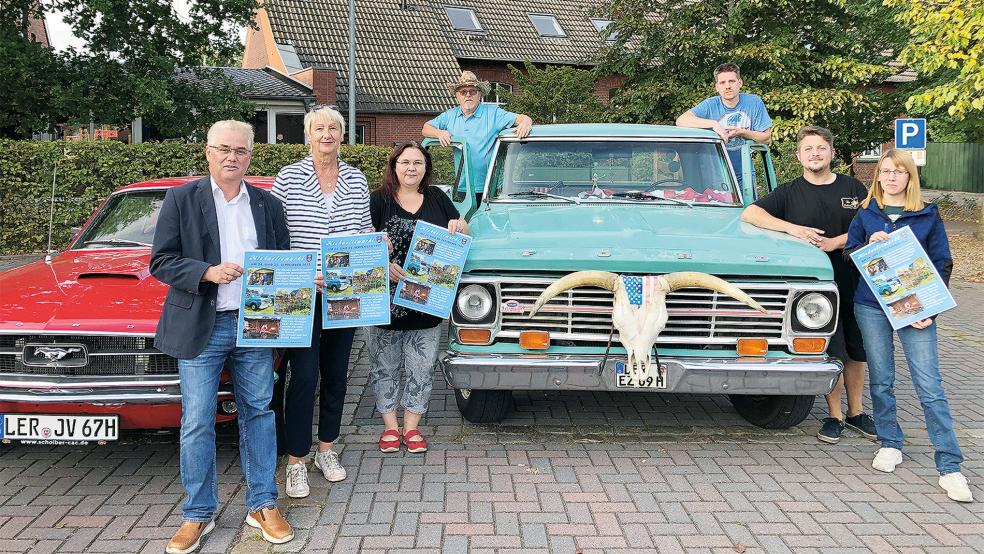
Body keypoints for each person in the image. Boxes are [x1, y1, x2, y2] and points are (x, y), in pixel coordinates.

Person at [151, 120, 293, 553]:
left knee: (259, 413)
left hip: (256, 325)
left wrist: (305, 280)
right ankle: (198, 512)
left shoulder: (269, 204)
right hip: (202, 325)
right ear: (208, 152)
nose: (232, 157)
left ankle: (262, 504)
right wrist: (207, 272)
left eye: (241, 150)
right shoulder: (181, 198)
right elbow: (161, 261)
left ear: (250, 155)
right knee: (197, 420)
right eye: (224, 149)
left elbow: (283, 262)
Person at [844, 149, 972, 503]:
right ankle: (890, 442)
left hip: (916, 309)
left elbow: (942, 261)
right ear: (878, 176)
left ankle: (950, 465)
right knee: (881, 378)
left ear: (909, 177)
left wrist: (931, 308)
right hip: (872, 306)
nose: (891, 177)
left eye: (898, 172)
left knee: (929, 385)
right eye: (885, 171)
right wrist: (866, 245)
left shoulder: (927, 214)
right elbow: (849, 254)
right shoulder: (867, 213)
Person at [741, 126, 875, 444]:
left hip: (855, 281)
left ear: (832, 153)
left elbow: (870, 223)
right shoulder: (788, 192)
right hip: (814, 293)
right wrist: (793, 229)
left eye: (821, 148)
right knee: (831, 350)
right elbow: (750, 214)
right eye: (809, 149)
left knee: (857, 351)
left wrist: (836, 242)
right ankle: (834, 416)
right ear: (799, 155)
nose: (815, 154)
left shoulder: (854, 188)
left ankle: (856, 412)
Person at [271, 106, 373, 499]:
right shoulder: (289, 177)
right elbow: (276, 233)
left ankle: (326, 450)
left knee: (336, 375)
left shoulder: (356, 178)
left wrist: (375, 245)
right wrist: (298, 274)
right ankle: (296, 460)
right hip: (301, 294)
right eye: (319, 128)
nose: (326, 134)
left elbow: (363, 229)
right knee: (303, 377)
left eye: (333, 128)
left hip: (344, 293)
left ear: (342, 135)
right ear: (308, 134)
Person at [369, 142, 468, 454]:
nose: (411, 168)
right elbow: (363, 241)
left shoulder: (438, 197)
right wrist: (382, 264)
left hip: (427, 303)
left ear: (426, 168)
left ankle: (411, 427)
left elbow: (463, 231)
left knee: (422, 367)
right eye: (405, 162)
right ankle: (390, 427)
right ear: (394, 166)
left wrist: (460, 225)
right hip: (384, 302)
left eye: (418, 163)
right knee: (383, 366)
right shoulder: (378, 199)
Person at [422, 71, 532, 202]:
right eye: (463, 92)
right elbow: (425, 128)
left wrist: (526, 123)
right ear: (457, 96)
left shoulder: (493, 113)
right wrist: (439, 133)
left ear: (479, 94)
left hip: (491, 188)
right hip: (463, 188)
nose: (468, 95)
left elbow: (522, 118)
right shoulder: (449, 116)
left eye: (472, 91)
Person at [676, 63, 772, 187]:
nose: (727, 86)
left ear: (740, 83)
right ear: (717, 87)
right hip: (715, 175)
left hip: (745, 173)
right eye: (722, 83)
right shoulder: (710, 105)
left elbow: (766, 138)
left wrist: (742, 132)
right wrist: (714, 124)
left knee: (749, 200)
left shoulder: (754, 103)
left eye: (732, 81)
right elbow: (681, 120)